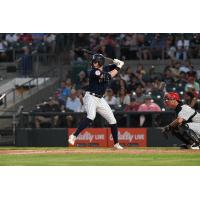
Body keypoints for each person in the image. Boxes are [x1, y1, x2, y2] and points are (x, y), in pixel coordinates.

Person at [68, 54, 124, 149]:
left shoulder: (105, 68)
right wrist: (119, 66)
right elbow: (109, 76)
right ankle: (73, 136)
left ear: (101, 62)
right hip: (90, 97)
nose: (94, 63)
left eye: (96, 62)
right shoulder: (94, 72)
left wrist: (117, 62)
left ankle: (116, 143)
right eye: (94, 62)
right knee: (91, 116)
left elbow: (113, 66)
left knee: (113, 120)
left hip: (100, 99)